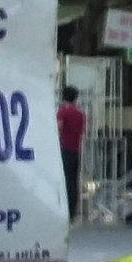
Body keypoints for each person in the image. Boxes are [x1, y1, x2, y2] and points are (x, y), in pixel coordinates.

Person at [57, 84, 86, 223]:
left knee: (64, 180)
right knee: (73, 181)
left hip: (64, 149)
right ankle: (72, 211)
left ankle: (64, 209)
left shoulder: (62, 112)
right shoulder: (80, 114)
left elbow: (59, 128)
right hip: (76, 149)